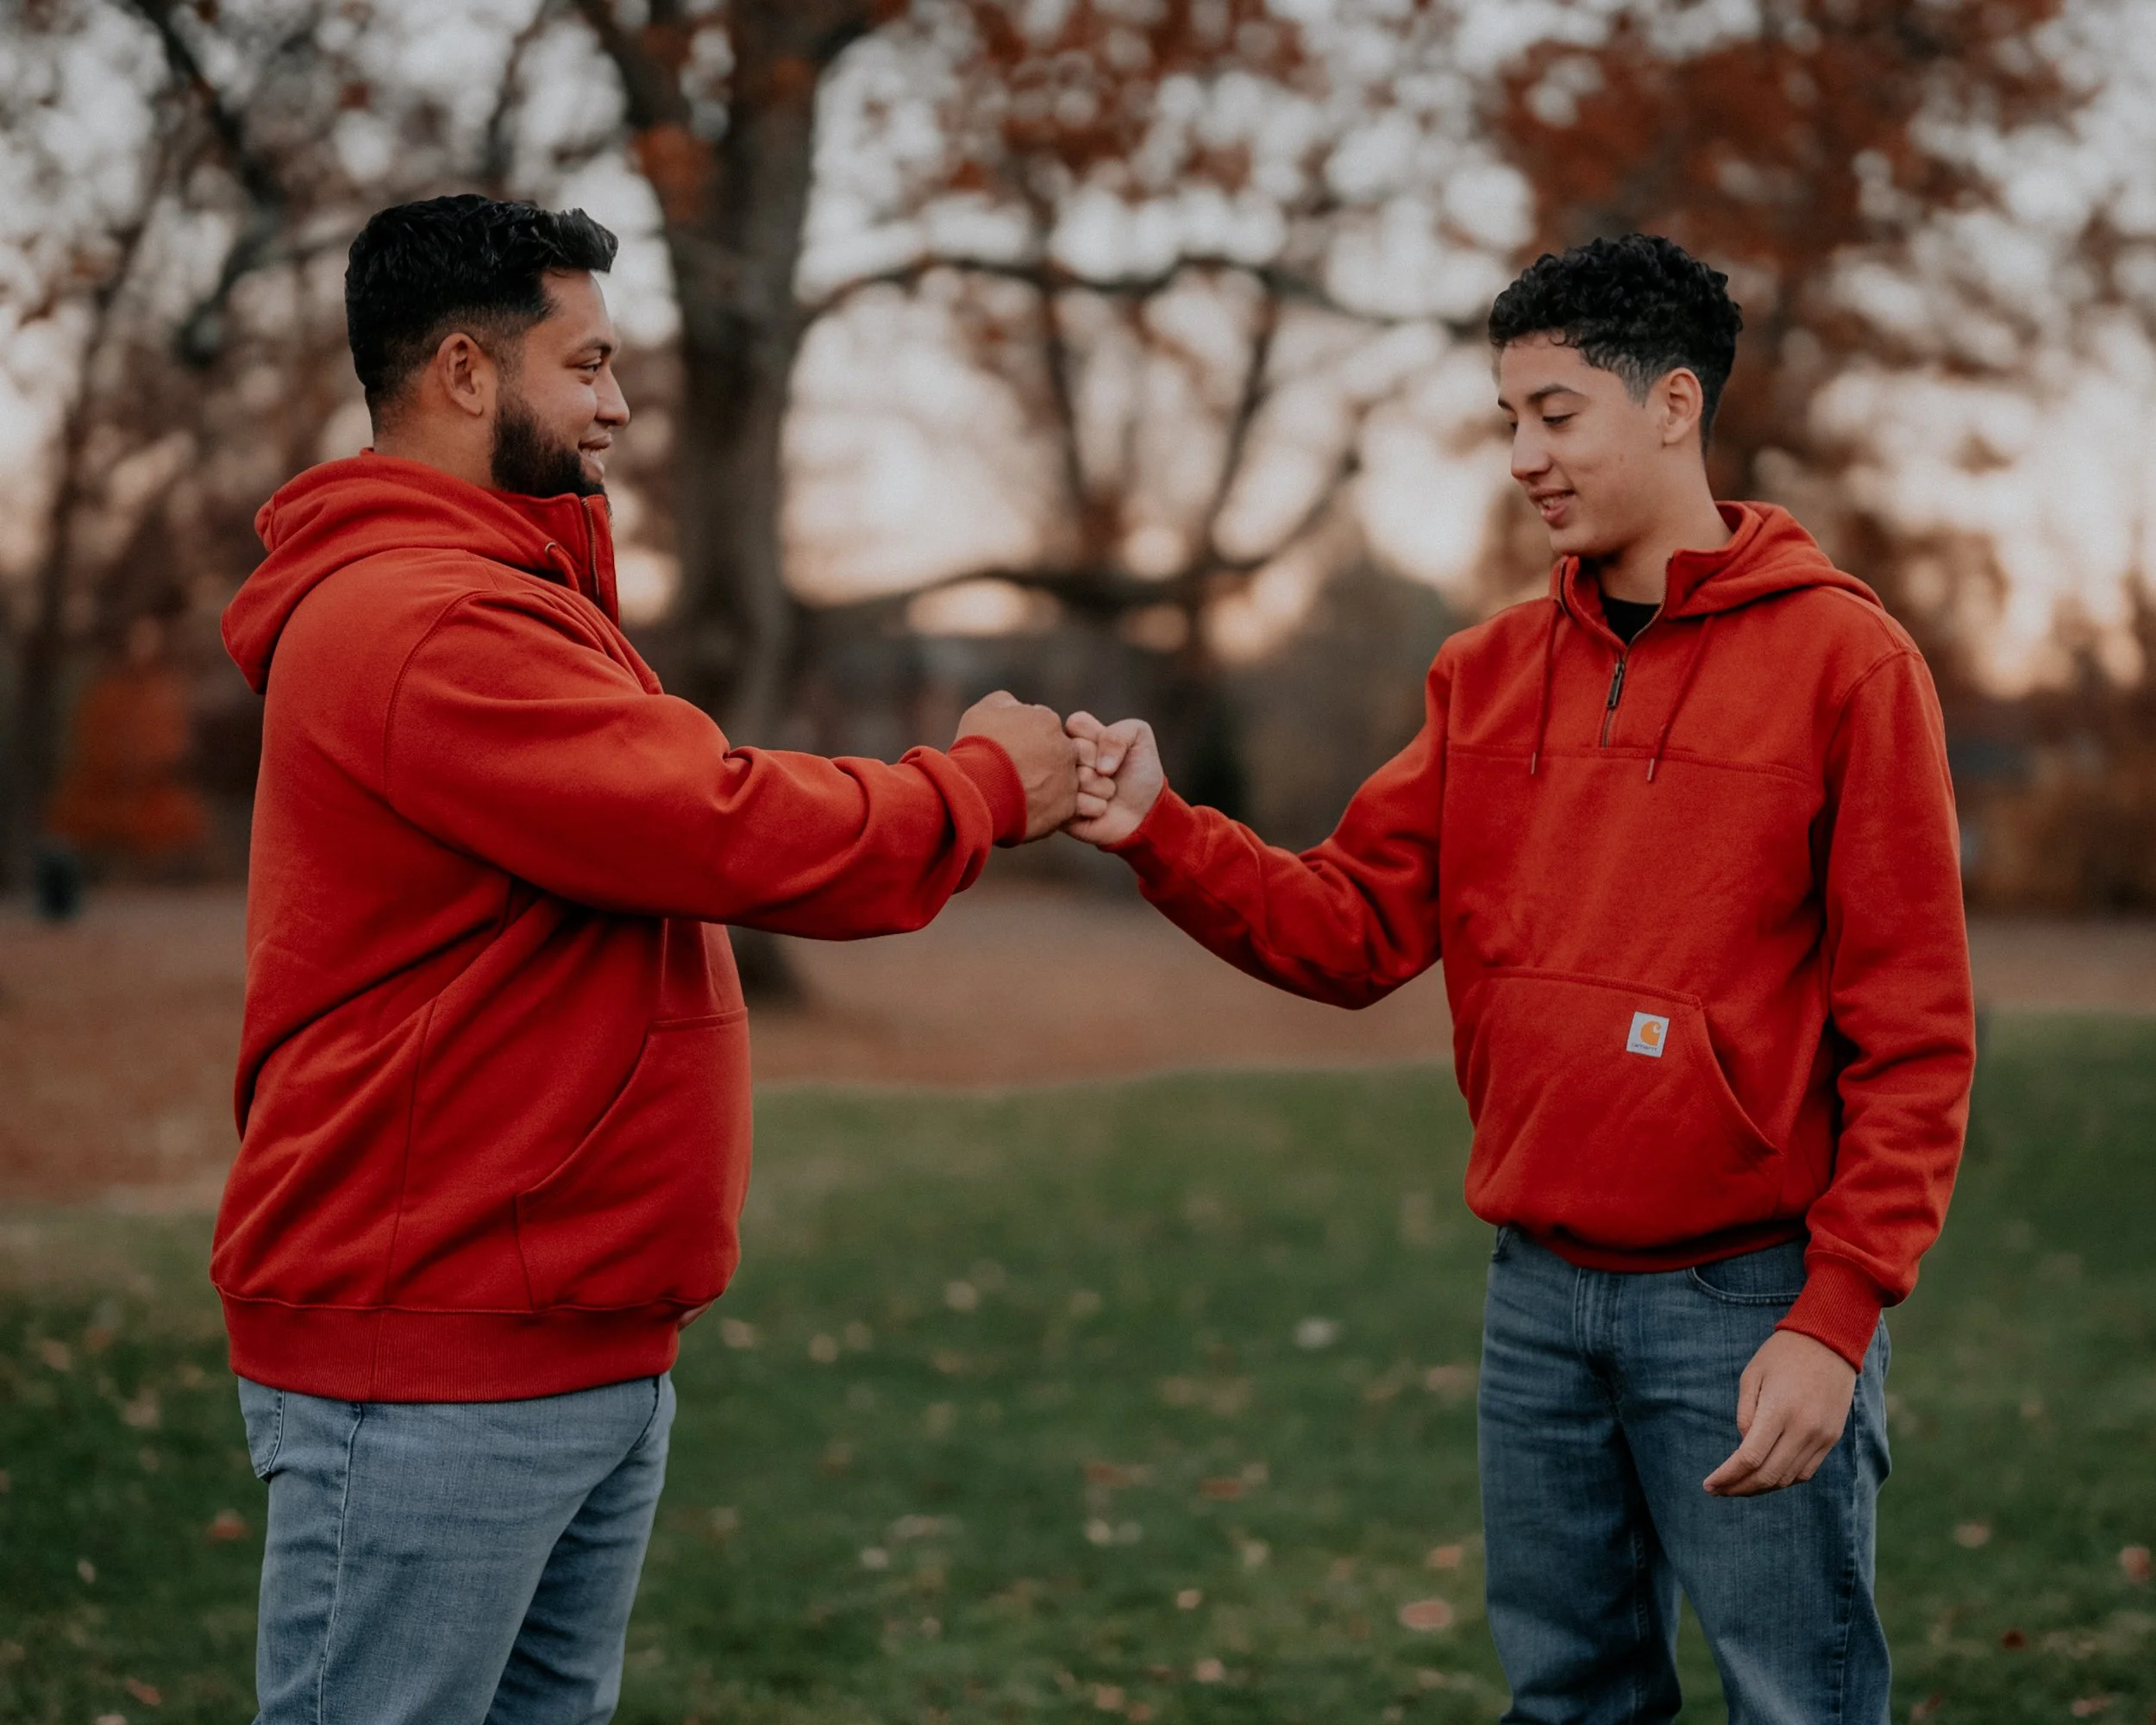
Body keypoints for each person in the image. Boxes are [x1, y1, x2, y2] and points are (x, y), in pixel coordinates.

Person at [1065, 234, 1974, 1722]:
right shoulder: (1483, 674)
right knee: (1567, 1703)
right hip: (1539, 1304)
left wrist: (1837, 1316)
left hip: (1746, 1303)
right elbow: (1346, 929)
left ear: (1673, 405)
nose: (1524, 458)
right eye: (1509, 421)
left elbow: (1917, 1036)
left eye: (1557, 414)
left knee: (1795, 1702)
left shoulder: (1844, 665)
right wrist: (1160, 831)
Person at [216, 194, 1092, 1725]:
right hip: (431, 1356)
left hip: (572, 1345)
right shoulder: (424, 621)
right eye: (592, 364)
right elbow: (720, 822)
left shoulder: (513, 595)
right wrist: (982, 789)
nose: (619, 404)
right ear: (470, 375)